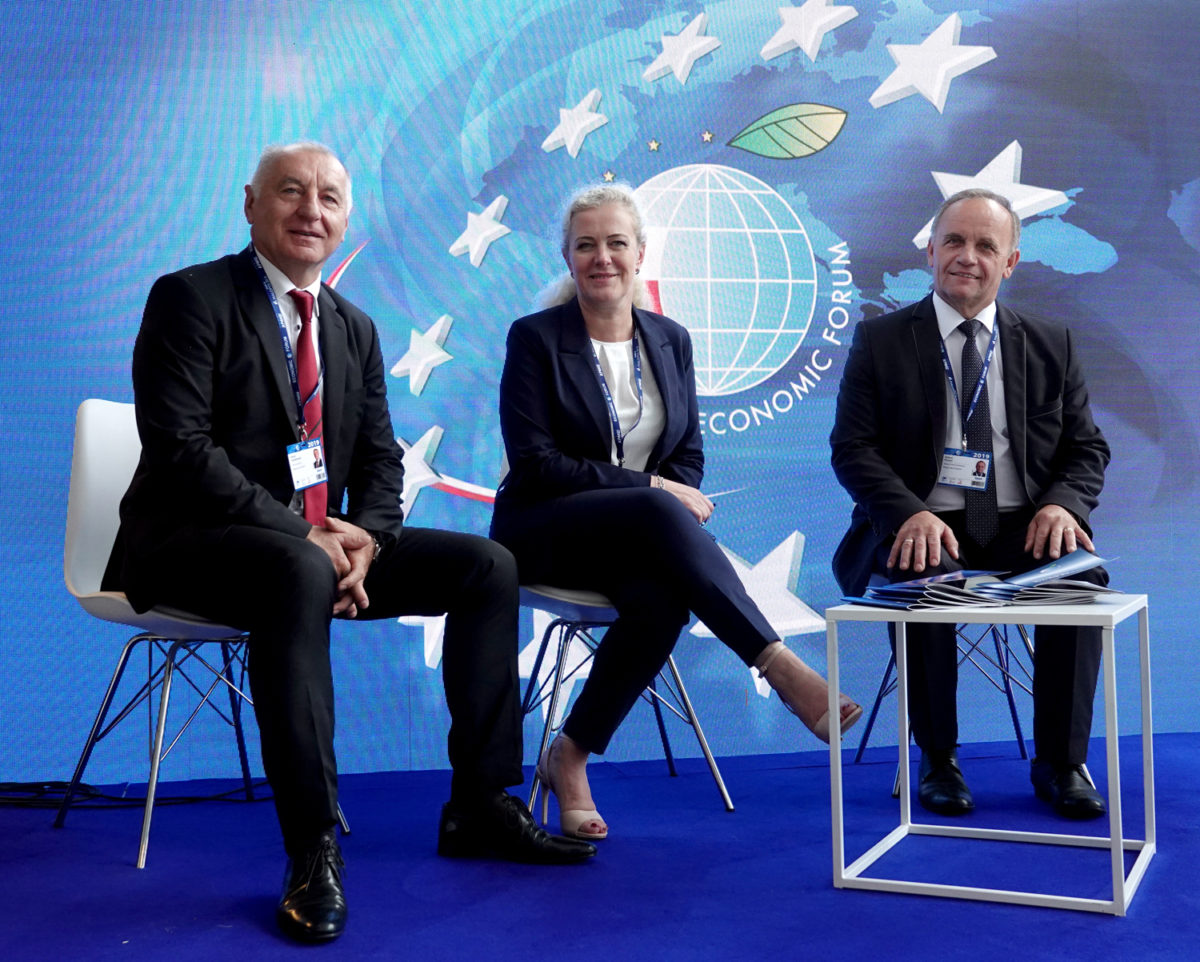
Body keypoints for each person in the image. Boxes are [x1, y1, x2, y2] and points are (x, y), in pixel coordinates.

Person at [102, 142, 594, 945]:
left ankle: (480, 803)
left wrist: (368, 538)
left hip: (316, 548)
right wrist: (306, 533)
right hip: (191, 545)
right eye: (291, 192)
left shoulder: (351, 326)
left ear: (344, 218)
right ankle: (312, 847)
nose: (312, 210)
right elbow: (182, 452)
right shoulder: (190, 298)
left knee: (484, 565)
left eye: (329, 197)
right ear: (250, 204)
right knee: (296, 566)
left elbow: (380, 460)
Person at [491, 183, 861, 841]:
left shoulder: (671, 340)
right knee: (654, 504)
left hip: (633, 541)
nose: (602, 257)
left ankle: (569, 755)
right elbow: (536, 463)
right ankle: (779, 665)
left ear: (640, 253)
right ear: (568, 257)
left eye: (616, 243)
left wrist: (661, 493)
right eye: (585, 245)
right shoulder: (535, 339)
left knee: (662, 603)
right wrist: (652, 489)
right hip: (544, 530)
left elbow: (687, 455)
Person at [829, 187, 1111, 820]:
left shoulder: (1051, 343)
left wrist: (1064, 506)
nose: (967, 256)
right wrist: (908, 512)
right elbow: (852, 448)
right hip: (922, 523)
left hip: (1022, 525)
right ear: (930, 251)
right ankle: (938, 758)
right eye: (953, 241)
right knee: (923, 572)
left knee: (1078, 578)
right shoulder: (880, 340)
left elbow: (1086, 448)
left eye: (986, 245)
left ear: (1010, 263)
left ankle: (1061, 762)